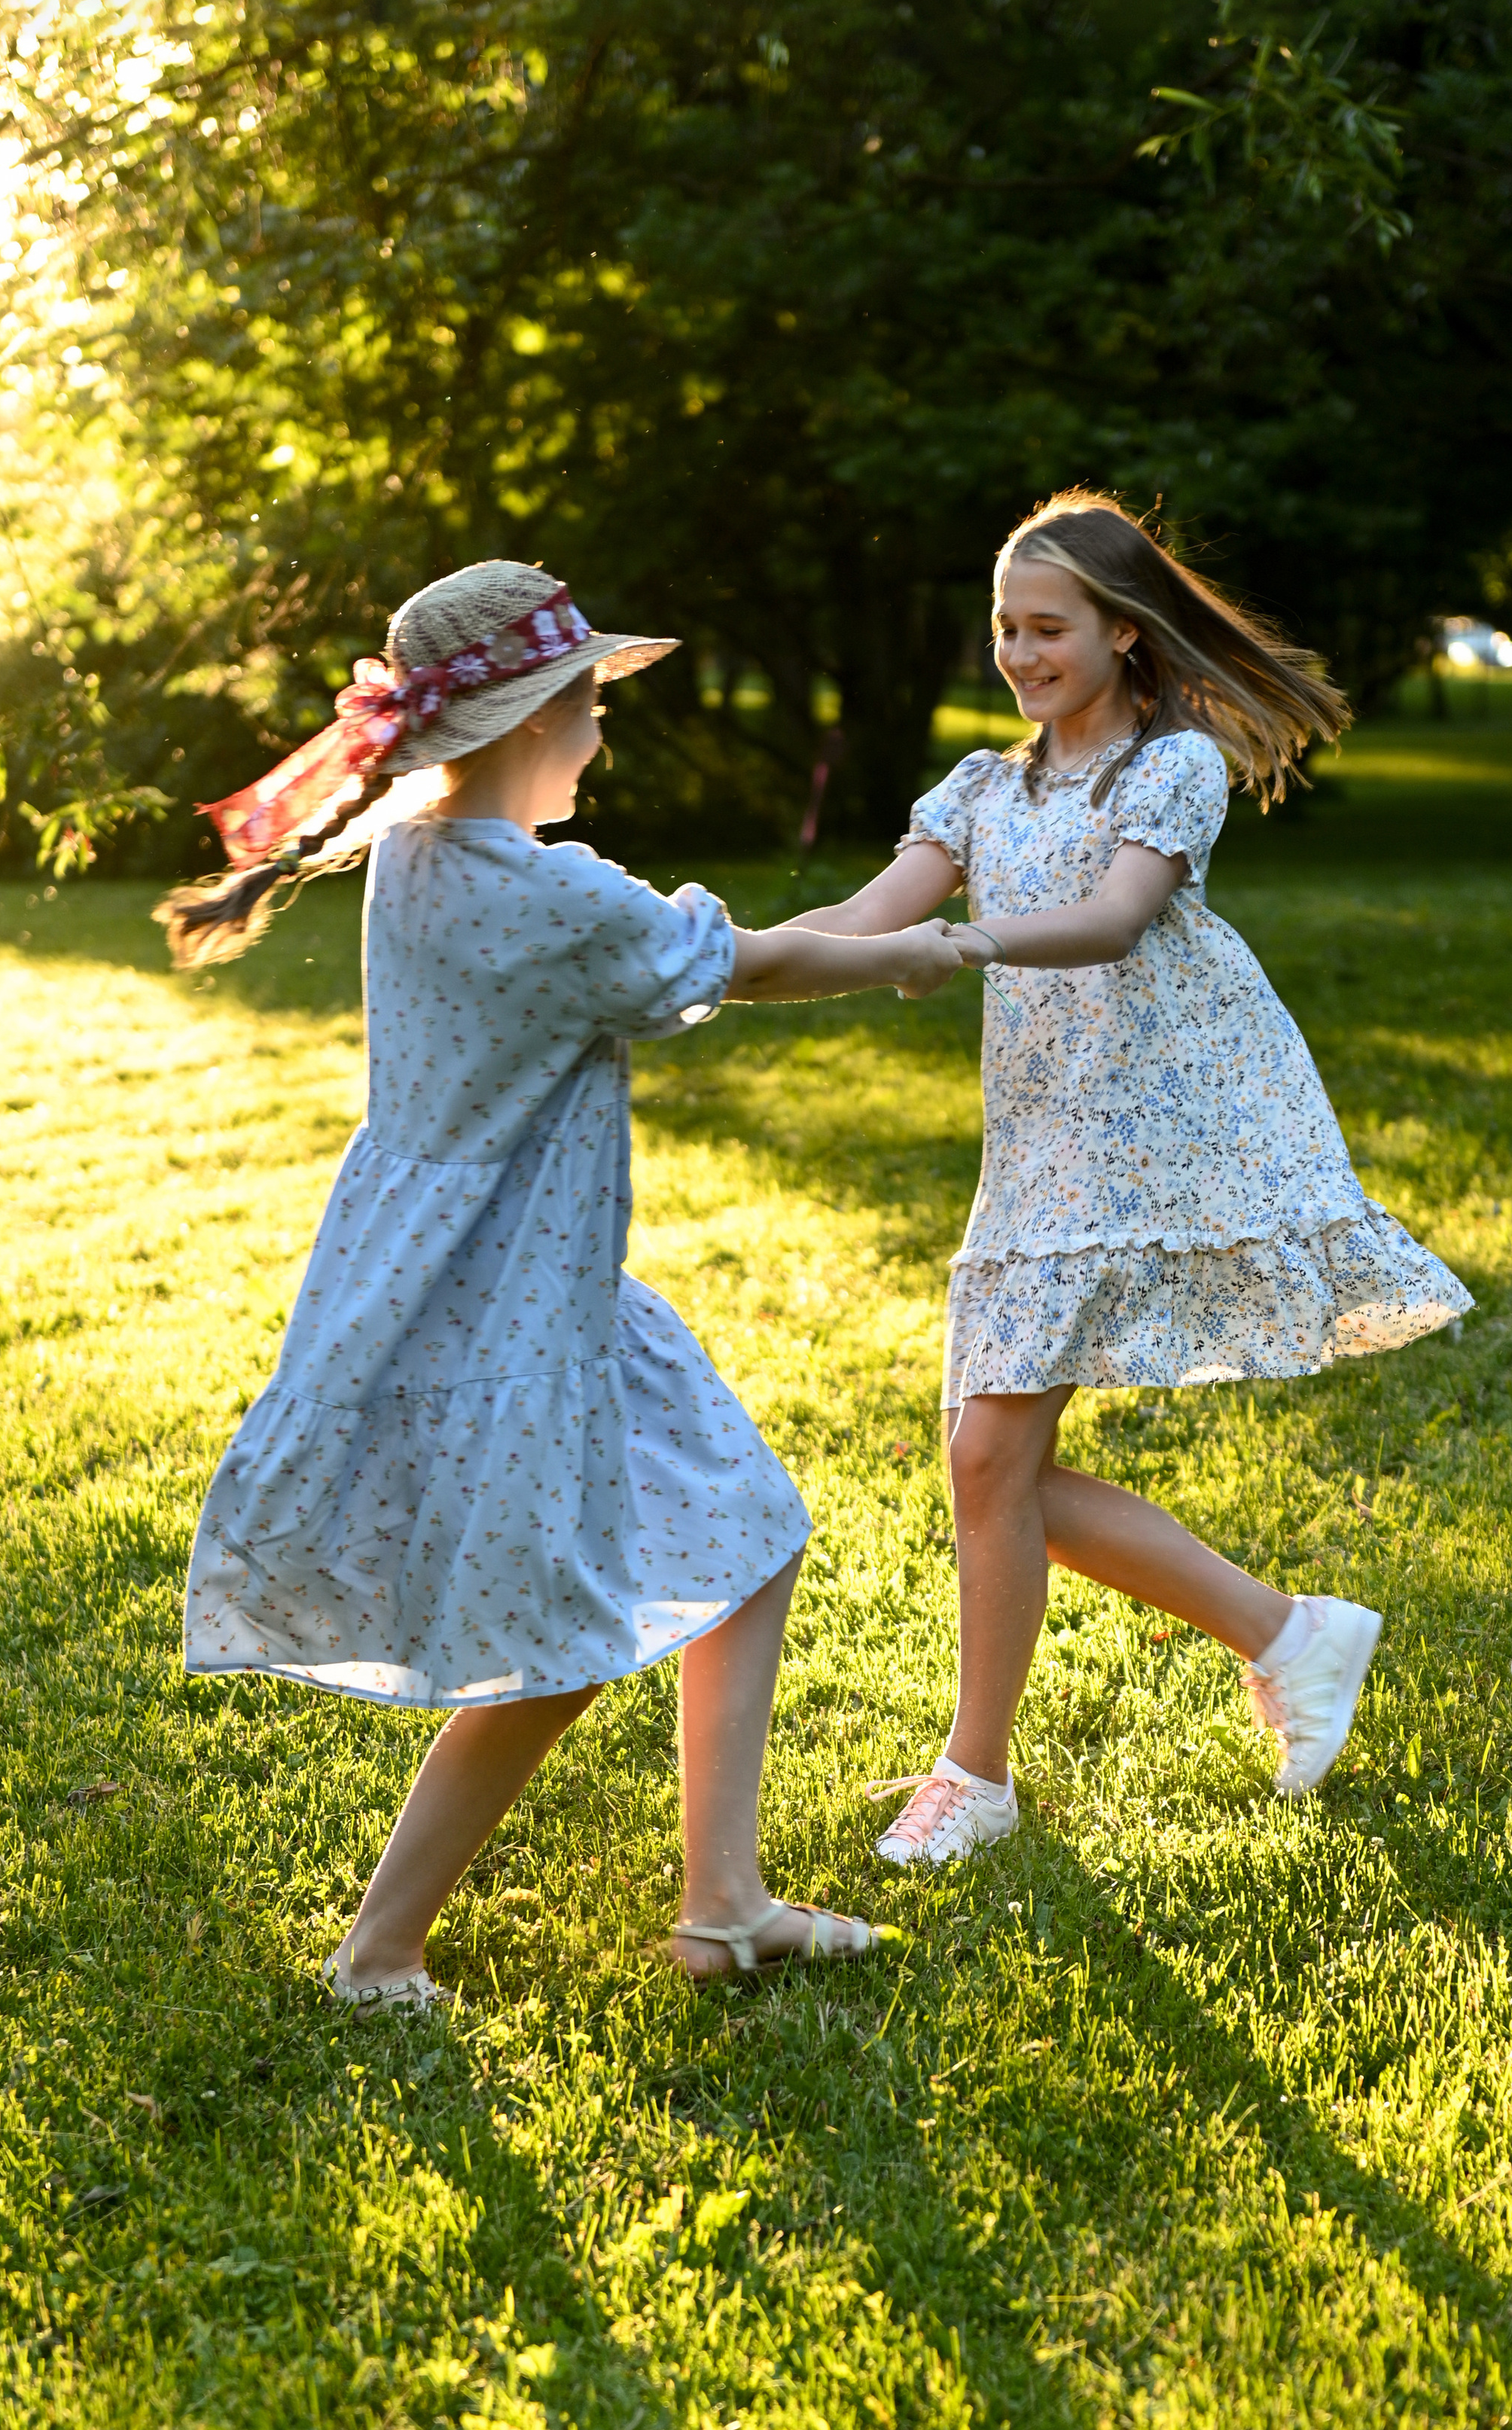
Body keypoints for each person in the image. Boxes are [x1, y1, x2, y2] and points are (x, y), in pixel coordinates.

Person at [156, 558, 962, 1995]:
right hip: (504, 1302)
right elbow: (752, 963)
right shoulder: (543, 898)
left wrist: (879, 933)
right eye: (591, 707)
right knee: (560, 1639)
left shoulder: (419, 856)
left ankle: (724, 1905)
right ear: (533, 723)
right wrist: (920, 949)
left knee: (749, 1527)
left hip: (523, 1289)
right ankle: (379, 1950)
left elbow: (705, 955)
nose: (602, 734)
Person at [785, 492, 1472, 1863]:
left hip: (1164, 1129)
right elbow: (864, 916)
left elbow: (1111, 921)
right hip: (1044, 1143)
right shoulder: (980, 788)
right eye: (1005, 629)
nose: (1022, 653)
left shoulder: (1170, 767)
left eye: (1048, 628)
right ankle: (1287, 1635)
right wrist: (716, 964)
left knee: (986, 1455)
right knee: (993, 1465)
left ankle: (977, 1777)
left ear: (1118, 630)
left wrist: (965, 950)